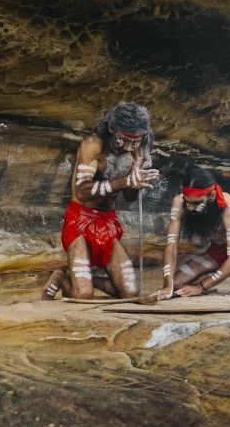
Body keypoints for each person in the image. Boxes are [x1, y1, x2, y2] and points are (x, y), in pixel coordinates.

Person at [41, 102, 159, 300]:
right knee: (83, 295)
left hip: (107, 223)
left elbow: (130, 198)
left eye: (136, 141)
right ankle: (61, 278)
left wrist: (137, 181)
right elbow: (82, 191)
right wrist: (125, 181)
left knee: (130, 292)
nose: (130, 146)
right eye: (125, 140)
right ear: (113, 129)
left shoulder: (135, 153)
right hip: (80, 220)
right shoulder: (93, 144)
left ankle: (74, 275)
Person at [157, 167, 230, 299]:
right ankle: (218, 274)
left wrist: (201, 287)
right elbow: (171, 246)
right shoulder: (179, 202)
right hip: (218, 252)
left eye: (197, 203)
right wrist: (167, 285)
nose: (190, 208)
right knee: (177, 285)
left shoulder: (227, 205)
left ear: (212, 196)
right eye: (187, 203)